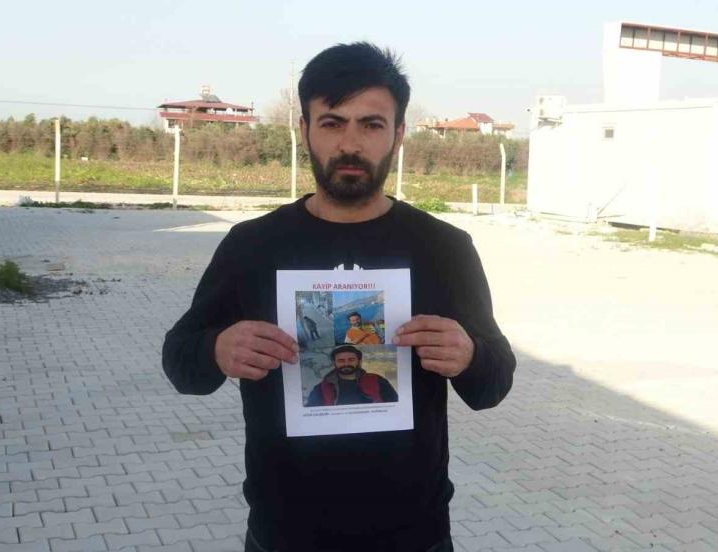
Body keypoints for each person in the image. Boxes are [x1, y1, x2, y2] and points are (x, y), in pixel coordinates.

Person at [162, 41, 515, 552]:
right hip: (284, 535)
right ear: (304, 129)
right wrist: (215, 349)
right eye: (332, 122)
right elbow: (180, 364)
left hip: (413, 536)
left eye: (371, 124)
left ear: (398, 134)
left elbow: (493, 386)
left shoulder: (443, 248)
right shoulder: (252, 245)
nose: (350, 143)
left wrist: (470, 355)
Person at [306, 344, 398, 406]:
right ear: (334, 363)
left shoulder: (377, 380)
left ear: (359, 361)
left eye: (351, 360)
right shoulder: (321, 388)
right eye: (341, 361)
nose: (346, 364)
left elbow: (395, 406)